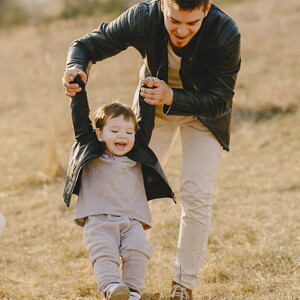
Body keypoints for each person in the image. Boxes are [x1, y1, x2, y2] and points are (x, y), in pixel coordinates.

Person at [62, 0, 241, 299]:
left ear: (206, 10)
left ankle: (183, 284)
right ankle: (119, 281)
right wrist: (74, 68)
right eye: (174, 20)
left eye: (192, 23)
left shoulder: (226, 31)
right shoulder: (142, 16)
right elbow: (87, 45)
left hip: (205, 116)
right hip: (150, 112)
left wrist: (172, 95)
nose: (181, 31)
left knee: (196, 193)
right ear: (162, 6)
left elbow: (220, 97)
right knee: (129, 185)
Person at [63, 76, 175, 300]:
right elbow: (79, 119)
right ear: (100, 134)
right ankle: (112, 288)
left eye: (128, 132)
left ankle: (132, 292)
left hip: (132, 219)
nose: (122, 135)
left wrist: (148, 88)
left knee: (138, 251)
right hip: (98, 218)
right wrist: (77, 88)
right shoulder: (91, 150)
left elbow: (146, 119)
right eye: (114, 131)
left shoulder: (137, 152)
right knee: (104, 254)